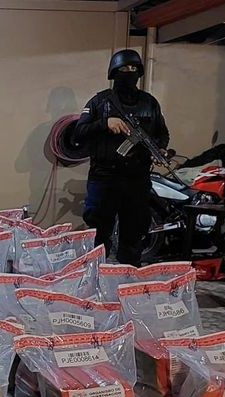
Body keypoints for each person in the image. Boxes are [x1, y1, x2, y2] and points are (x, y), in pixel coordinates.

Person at [72, 49, 169, 266]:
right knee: (98, 235)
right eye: (124, 68)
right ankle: (95, 276)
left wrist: (160, 149)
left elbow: (162, 134)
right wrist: (104, 123)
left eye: (134, 68)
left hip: (137, 179)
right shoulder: (100, 102)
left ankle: (128, 278)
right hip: (104, 177)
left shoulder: (149, 103)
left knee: (133, 234)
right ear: (114, 72)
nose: (130, 72)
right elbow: (78, 133)